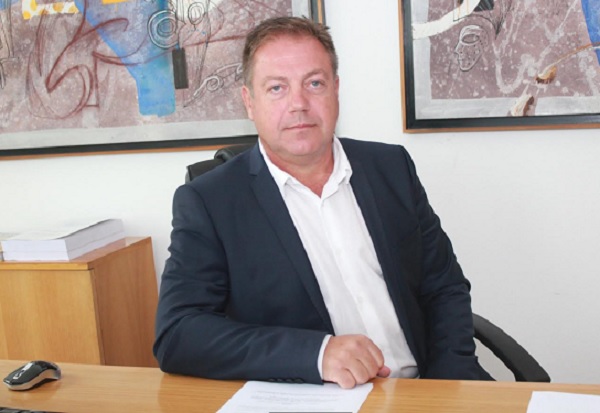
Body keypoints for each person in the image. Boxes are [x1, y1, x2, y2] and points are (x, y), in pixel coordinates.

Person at [153, 16, 491, 389]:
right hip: (319, 396)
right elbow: (178, 332)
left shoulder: (391, 168)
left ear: (336, 90)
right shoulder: (210, 202)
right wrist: (316, 354)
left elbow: (444, 286)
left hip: (425, 387)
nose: (298, 104)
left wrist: (446, 383)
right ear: (249, 102)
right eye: (277, 88)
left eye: (314, 83)